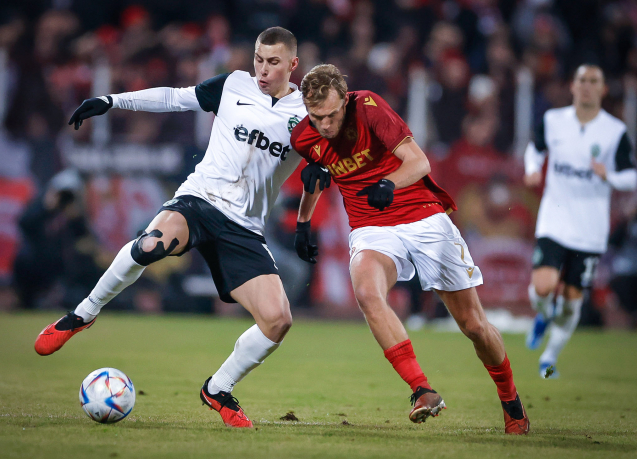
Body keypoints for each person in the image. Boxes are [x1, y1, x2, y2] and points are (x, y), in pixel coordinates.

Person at [34, 27, 309, 428]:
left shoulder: (306, 115)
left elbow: (330, 159)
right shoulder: (233, 84)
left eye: (273, 62)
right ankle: (82, 314)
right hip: (200, 200)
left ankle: (218, 388)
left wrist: (310, 205)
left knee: (278, 319)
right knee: (151, 246)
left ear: (293, 65)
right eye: (258, 59)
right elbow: (173, 98)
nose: (263, 69)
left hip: (244, 227)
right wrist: (111, 100)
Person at [290, 64, 529, 434]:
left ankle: (511, 400)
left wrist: (388, 182)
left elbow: (419, 162)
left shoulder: (370, 107)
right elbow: (315, 177)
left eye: (331, 115)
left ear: (345, 101)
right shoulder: (304, 137)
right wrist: (304, 224)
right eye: (316, 116)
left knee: (473, 326)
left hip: (422, 217)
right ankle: (422, 389)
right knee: (367, 293)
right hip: (371, 228)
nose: (324, 124)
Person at [524, 64, 637, 378]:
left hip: (590, 227)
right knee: (543, 286)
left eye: (594, 82)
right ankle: (544, 315)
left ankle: (549, 358)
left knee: (574, 298)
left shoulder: (614, 131)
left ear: (602, 89)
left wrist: (609, 175)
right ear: (572, 87)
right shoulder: (553, 120)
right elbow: (535, 149)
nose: (587, 86)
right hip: (555, 217)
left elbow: (632, 175)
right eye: (582, 81)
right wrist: (533, 168)